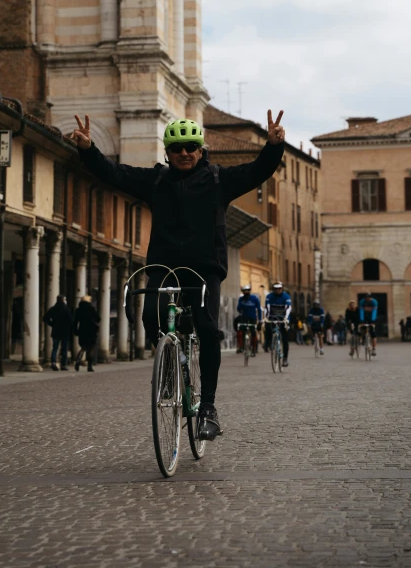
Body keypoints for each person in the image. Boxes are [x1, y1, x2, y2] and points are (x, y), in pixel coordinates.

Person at [71, 110, 285, 440]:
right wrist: (88, 150)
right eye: (177, 148)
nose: (184, 152)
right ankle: (171, 363)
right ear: (167, 153)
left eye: (190, 146)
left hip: (204, 269)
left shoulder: (218, 180)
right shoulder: (156, 181)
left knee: (209, 329)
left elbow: (257, 171)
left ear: (200, 150)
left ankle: (209, 408)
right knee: (151, 316)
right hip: (163, 266)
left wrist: (272, 146)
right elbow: (115, 174)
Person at [264, 282, 292, 366]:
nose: (277, 290)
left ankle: (285, 359)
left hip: (284, 319)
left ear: (282, 289)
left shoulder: (286, 297)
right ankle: (268, 343)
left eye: (279, 289)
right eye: (276, 289)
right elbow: (267, 308)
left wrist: (286, 318)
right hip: (272, 317)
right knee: (267, 327)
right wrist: (266, 317)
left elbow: (288, 308)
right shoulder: (269, 296)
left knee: (285, 339)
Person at [43, 295, 73, 370]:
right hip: (65, 331)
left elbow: (45, 318)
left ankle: (53, 362)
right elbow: (71, 321)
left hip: (56, 331)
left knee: (55, 348)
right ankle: (63, 364)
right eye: (65, 299)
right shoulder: (66, 310)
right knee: (64, 348)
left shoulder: (53, 309)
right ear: (63, 300)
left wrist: (52, 324)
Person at [74, 295, 100, 372]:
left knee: (83, 347)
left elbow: (75, 321)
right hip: (91, 330)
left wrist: (76, 331)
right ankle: (89, 366)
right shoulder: (91, 308)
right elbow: (98, 318)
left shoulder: (78, 310)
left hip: (82, 330)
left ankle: (79, 358)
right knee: (91, 348)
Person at [236, 285, 262, 355]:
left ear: (249, 291)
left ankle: (254, 348)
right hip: (244, 317)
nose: (246, 292)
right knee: (240, 331)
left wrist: (260, 320)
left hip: (252, 318)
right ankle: (241, 346)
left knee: (253, 333)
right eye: (244, 291)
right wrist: (242, 304)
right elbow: (238, 309)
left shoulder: (254, 298)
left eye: (247, 290)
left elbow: (259, 309)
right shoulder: (241, 299)